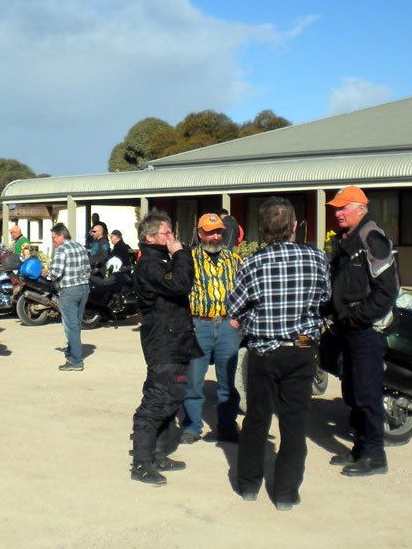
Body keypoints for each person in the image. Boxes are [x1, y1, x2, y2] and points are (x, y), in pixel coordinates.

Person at [225, 199, 330, 510]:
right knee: (294, 424)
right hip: (300, 346)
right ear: (294, 227)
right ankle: (285, 493)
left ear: (261, 230)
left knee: (257, 420)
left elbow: (234, 307)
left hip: (264, 348)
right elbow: (326, 296)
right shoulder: (316, 258)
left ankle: (248, 486)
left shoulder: (252, 263)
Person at [324, 185, 400, 477]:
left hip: (365, 330)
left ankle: (375, 456)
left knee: (367, 393)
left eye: (344, 208)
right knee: (353, 392)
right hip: (347, 329)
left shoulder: (372, 238)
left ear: (361, 209)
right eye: (336, 208)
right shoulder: (345, 240)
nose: (338, 213)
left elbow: (386, 290)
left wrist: (358, 318)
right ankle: (359, 449)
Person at [129, 211, 201, 485]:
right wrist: (181, 255)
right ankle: (141, 463)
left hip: (176, 338)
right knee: (157, 399)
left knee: (172, 397)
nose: (172, 238)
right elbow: (180, 284)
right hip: (163, 341)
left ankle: (159, 454)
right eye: (167, 234)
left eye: (172, 233)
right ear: (149, 237)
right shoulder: (150, 264)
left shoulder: (161, 260)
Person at [182, 213, 244, 444]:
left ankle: (228, 427)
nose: (215, 236)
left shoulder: (234, 260)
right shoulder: (188, 259)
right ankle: (192, 426)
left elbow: (244, 290)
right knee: (194, 382)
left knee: (227, 382)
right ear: (200, 234)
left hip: (228, 326)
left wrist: (238, 319)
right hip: (200, 326)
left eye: (218, 231)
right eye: (209, 232)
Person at [46, 223, 91, 372]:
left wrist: (47, 274)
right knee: (76, 323)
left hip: (69, 290)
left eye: (54, 237)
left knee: (70, 326)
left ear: (61, 236)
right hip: (84, 288)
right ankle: (72, 351)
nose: (53, 241)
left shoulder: (61, 250)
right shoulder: (80, 247)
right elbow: (88, 269)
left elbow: (56, 272)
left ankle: (76, 361)